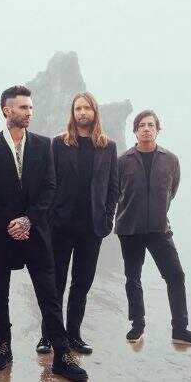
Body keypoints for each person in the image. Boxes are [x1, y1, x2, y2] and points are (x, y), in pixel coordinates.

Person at [0, 85, 88, 382]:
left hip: (36, 232)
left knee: (49, 295)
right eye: (23, 107)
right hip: (1, 233)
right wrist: (11, 222)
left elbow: (50, 187)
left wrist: (28, 220)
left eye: (30, 107)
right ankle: (3, 347)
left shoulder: (43, 144)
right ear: (7, 110)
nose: (29, 112)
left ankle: (61, 354)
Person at [115, 110, 191, 347]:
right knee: (133, 278)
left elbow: (171, 191)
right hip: (130, 229)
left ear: (158, 129)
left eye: (151, 125)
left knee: (175, 275)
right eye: (142, 125)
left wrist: (157, 211)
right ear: (135, 131)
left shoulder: (171, 160)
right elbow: (115, 193)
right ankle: (137, 325)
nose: (146, 129)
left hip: (159, 229)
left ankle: (180, 329)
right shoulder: (123, 161)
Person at [36, 92, 118, 355]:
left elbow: (113, 188)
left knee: (81, 284)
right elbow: (47, 183)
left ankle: (74, 336)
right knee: (55, 284)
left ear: (95, 112)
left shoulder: (108, 146)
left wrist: (107, 219)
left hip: (92, 228)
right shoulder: (58, 143)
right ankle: (48, 335)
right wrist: (48, 218)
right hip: (60, 226)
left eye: (87, 108)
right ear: (72, 113)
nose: (82, 112)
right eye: (78, 108)